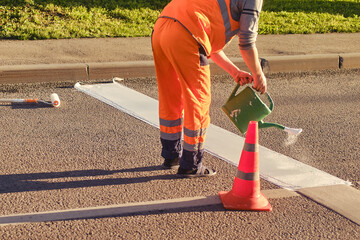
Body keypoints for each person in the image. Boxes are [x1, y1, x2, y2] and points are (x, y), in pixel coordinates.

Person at [151, 0, 267, 177]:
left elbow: (207, 42)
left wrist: (234, 71)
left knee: (170, 96)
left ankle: (171, 155)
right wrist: (258, 75)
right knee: (198, 100)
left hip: (162, 26)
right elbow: (247, 44)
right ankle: (191, 164)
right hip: (188, 32)